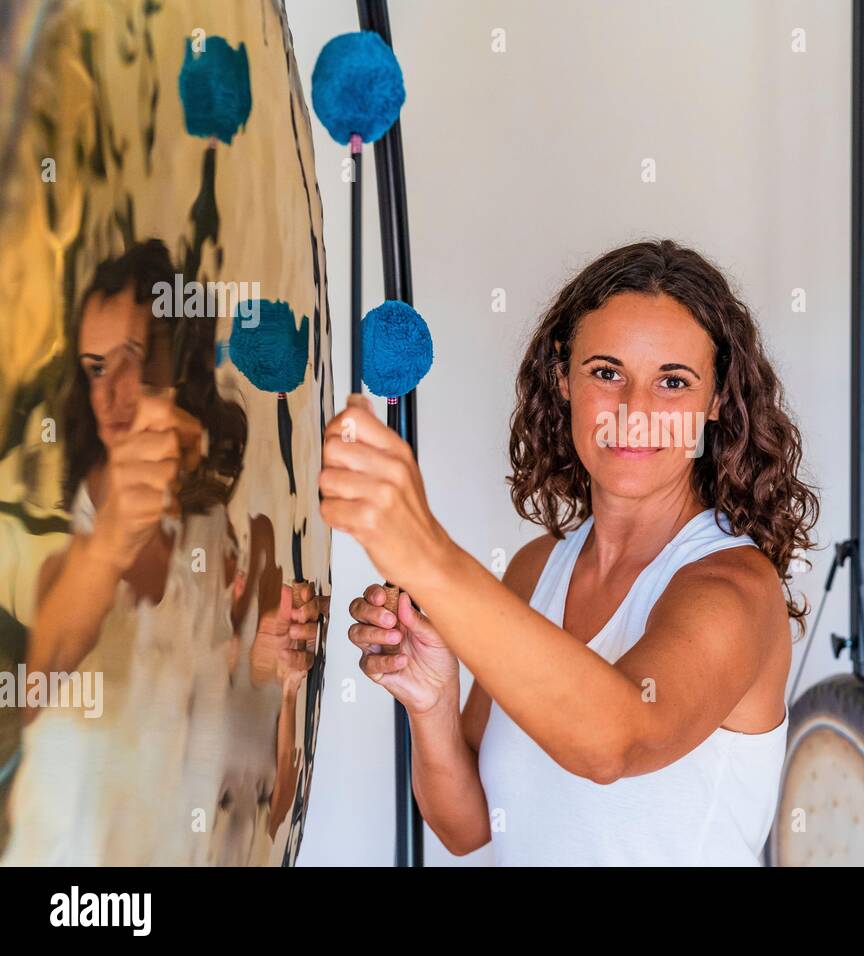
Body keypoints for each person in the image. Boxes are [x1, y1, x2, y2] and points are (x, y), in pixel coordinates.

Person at [321, 239, 818, 865]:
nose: (635, 412)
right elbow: (469, 826)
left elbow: (617, 743)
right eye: (606, 373)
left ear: (716, 400)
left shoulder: (734, 589)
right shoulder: (537, 569)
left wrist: (425, 553)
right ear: (563, 379)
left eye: (672, 381)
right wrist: (434, 703)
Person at [3, 240, 319, 865]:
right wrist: (114, 535)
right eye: (96, 368)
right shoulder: (67, 536)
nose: (111, 393)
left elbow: (267, 796)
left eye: (133, 360)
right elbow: (37, 682)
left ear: (183, 363)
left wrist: (278, 680)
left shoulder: (221, 535)